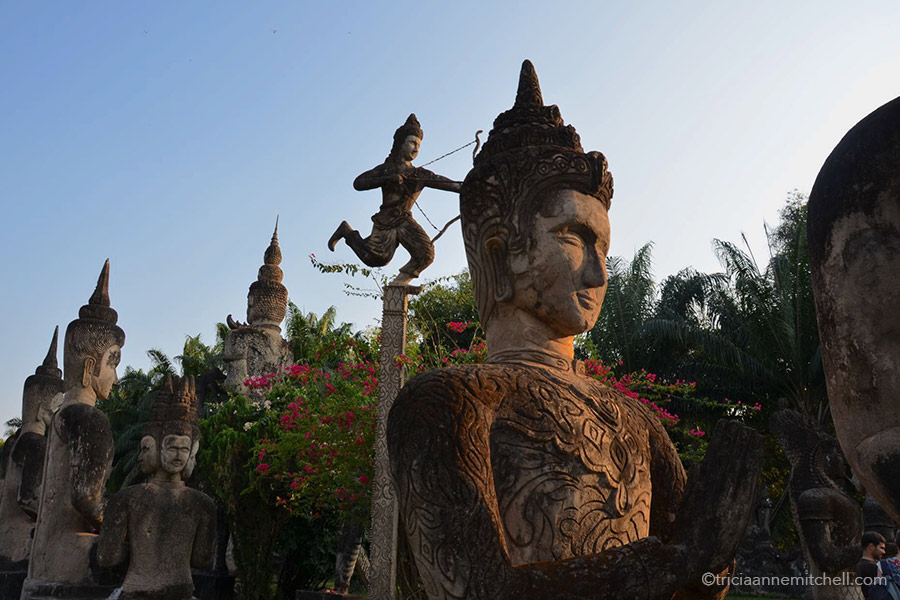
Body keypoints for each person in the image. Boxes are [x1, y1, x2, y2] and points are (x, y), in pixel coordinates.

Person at [387, 60, 763, 600]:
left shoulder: (640, 423)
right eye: (573, 237)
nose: (599, 272)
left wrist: (713, 539)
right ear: (500, 250)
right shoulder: (448, 404)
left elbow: (698, 583)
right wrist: (654, 568)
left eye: (604, 247)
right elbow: (476, 589)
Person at [98, 375, 216, 600]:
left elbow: (107, 557)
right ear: (153, 447)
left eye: (184, 449)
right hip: (181, 591)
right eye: (173, 447)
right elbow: (202, 559)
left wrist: (138, 546)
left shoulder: (127, 498)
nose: (179, 455)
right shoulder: (202, 504)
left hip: (136, 589)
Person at [327, 113, 461, 286]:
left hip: (405, 219)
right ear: (400, 144)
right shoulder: (386, 169)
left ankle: (399, 283)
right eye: (412, 143)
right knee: (376, 258)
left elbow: (450, 184)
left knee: (426, 255)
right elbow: (358, 183)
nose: (416, 149)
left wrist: (470, 185)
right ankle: (347, 232)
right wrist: (387, 179)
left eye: (419, 145)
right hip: (386, 219)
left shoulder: (420, 174)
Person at [858, 532, 887, 599]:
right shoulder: (874, 567)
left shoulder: (860, 565)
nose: (884, 552)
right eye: (881, 548)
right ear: (871, 546)